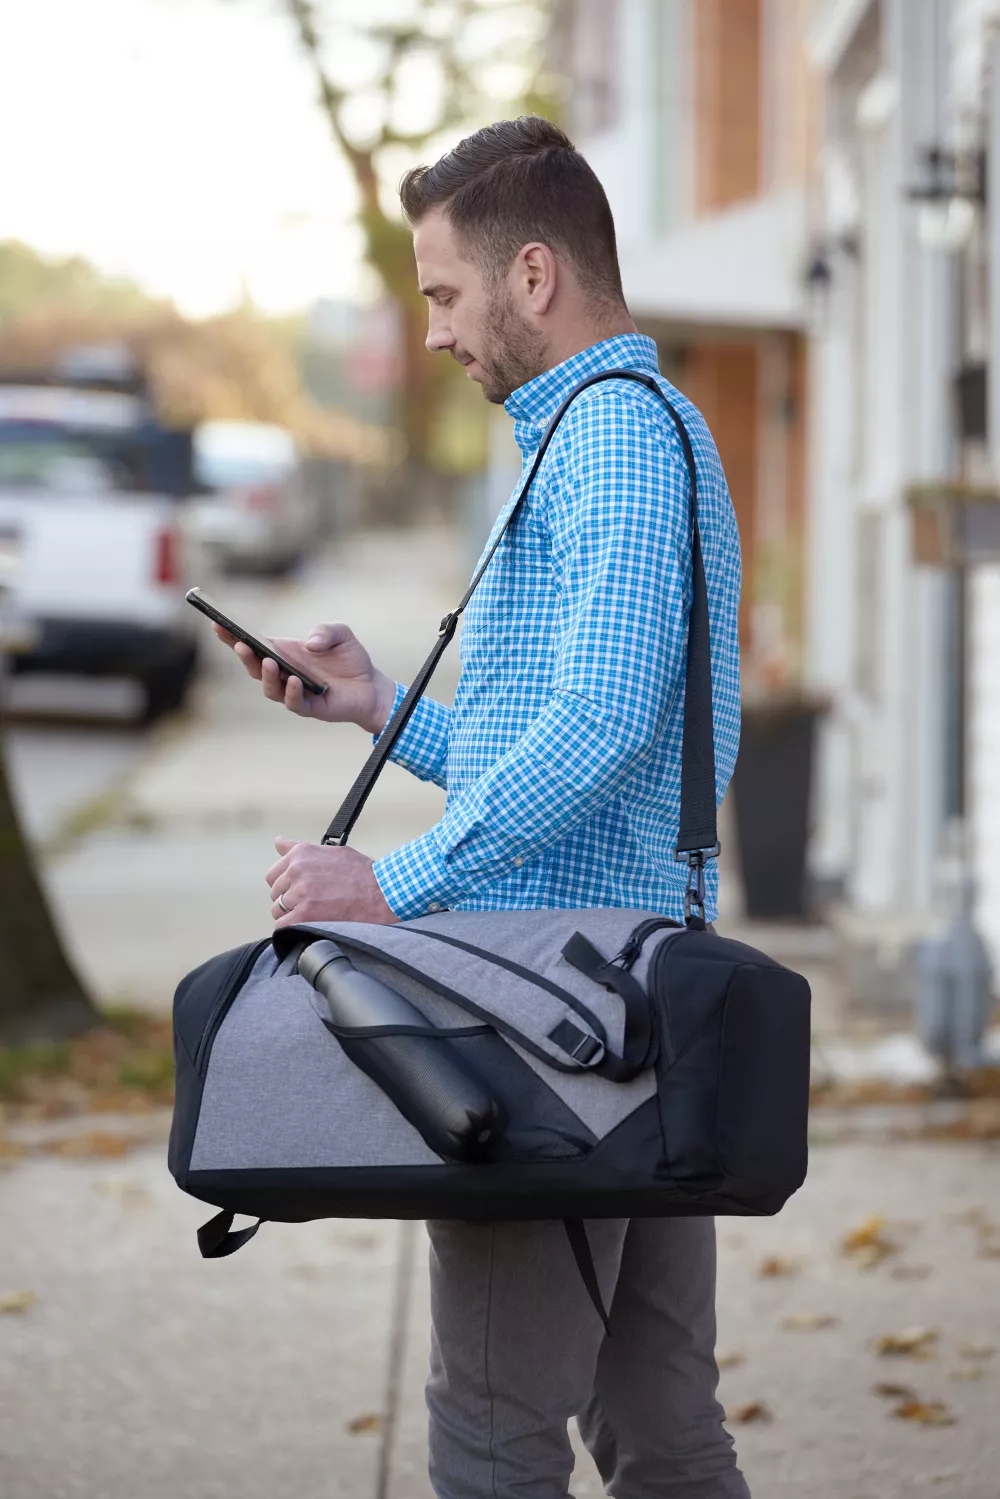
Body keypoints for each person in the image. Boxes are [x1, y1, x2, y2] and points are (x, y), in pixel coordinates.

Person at [217, 116, 746, 1499]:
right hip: (631, 1000)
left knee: (494, 1429)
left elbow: (599, 725)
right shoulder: (622, 431)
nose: (437, 330)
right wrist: (378, 705)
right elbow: (556, 744)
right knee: (661, 1429)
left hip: (559, 1017)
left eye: (445, 292)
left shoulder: (614, 441)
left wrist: (384, 887)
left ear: (530, 275)